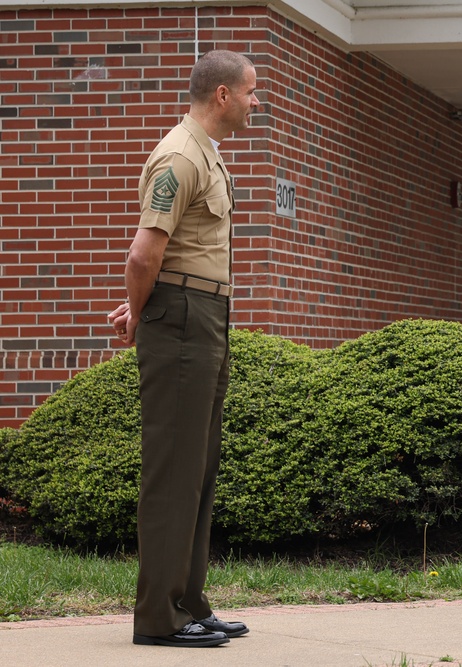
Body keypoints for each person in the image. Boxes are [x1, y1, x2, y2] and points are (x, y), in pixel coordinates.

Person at [107, 50, 259, 648]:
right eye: (250, 92)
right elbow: (144, 254)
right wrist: (143, 312)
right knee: (174, 471)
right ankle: (160, 618)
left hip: (203, 315)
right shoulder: (178, 155)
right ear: (222, 94)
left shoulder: (207, 153)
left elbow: (166, 258)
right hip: (183, 319)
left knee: (198, 466)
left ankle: (189, 602)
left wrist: (147, 303)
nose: (256, 101)